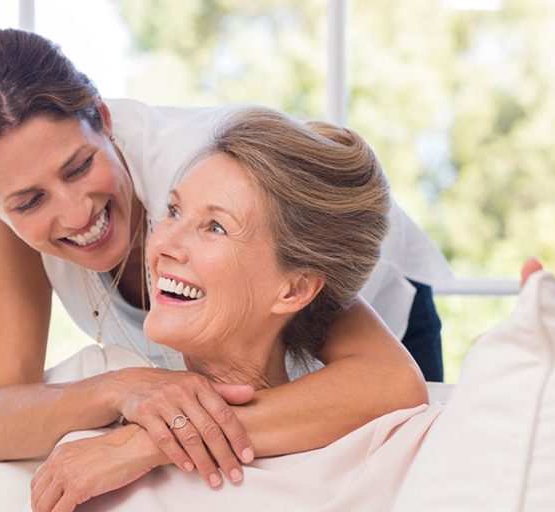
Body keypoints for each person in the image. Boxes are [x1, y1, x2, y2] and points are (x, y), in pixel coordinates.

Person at [0, 28, 447, 486]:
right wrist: (124, 388)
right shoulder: (9, 209)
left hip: (376, 309)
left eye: (79, 166)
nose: (75, 212)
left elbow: (389, 382)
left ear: (103, 119)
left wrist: (145, 444)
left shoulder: (202, 179)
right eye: (30, 202)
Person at [27, 107, 425, 511]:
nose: (162, 243)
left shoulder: (380, 458)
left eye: (215, 227)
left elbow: (397, 383)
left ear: (295, 290)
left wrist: (150, 442)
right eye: (174, 211)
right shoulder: (91, 421)